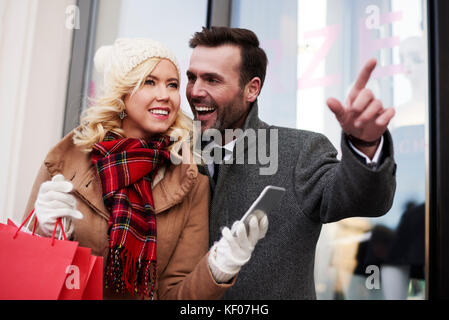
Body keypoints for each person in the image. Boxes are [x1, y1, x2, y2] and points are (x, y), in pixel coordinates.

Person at [23, 38, 268, 300]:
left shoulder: (191, 181)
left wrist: (219, 268)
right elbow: (27, 272)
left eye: (172, 84)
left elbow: (175, 294)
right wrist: (41, 232)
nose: (165, 95)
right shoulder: (65, 161)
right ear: (122, 91)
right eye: (149, 82)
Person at [186, 27, 397, 300]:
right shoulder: (174, 154)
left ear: (252, 89)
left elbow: (367, 199)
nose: (195, 91)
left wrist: (365, 146)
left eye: (212, 80)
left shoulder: (299, 152)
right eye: (192, 78)